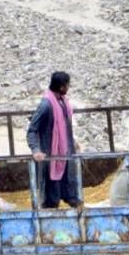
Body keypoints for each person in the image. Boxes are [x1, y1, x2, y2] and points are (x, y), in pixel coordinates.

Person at [26, 71, 82, 209]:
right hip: (52, 155)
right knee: (52, 199)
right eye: (68, 85)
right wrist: (36, 150)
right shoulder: (46, 105)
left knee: (71, 193)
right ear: (62, 87)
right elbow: (32, 130)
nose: (69, 88)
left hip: (66, 153)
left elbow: (64, 125)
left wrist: (71, 140)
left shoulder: (62, 101)